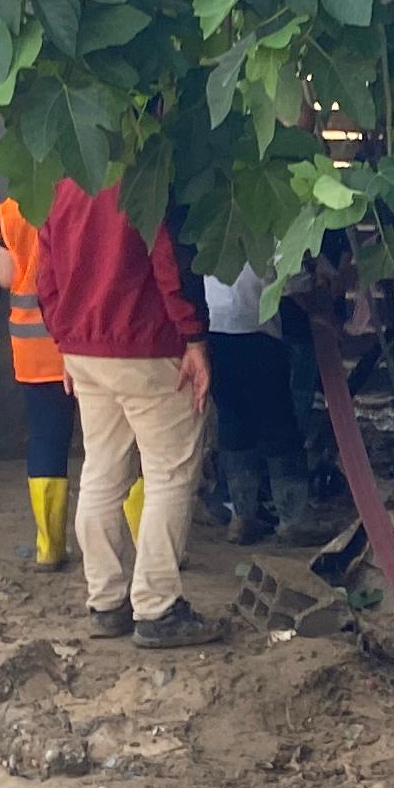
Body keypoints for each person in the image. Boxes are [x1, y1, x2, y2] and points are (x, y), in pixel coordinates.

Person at [44, 179, 211, 645]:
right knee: (169, 474)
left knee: (101, 472)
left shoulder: (64, 183)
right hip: (147, 346)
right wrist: (194, 336)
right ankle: (157, 608)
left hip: (84, 348)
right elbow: (168, 263)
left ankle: (106, 601)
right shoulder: (147, 177)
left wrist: (66, 340)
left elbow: (46, 273)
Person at [204, 259, 311, 540]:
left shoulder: (211, 222)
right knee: (278, 423)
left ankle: (242, 517)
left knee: (233, 420)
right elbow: (293, 281)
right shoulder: (270, 221)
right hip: (257, 327)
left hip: (213, 326)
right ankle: (293, 521)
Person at [0, 190, 74, 570]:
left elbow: (4, 274)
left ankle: (49, 548)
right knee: (115, 443)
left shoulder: (12, 207)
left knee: (46, 437)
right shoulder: (82, 196)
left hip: (31, 347)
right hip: (83, 341)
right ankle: (146, 545)